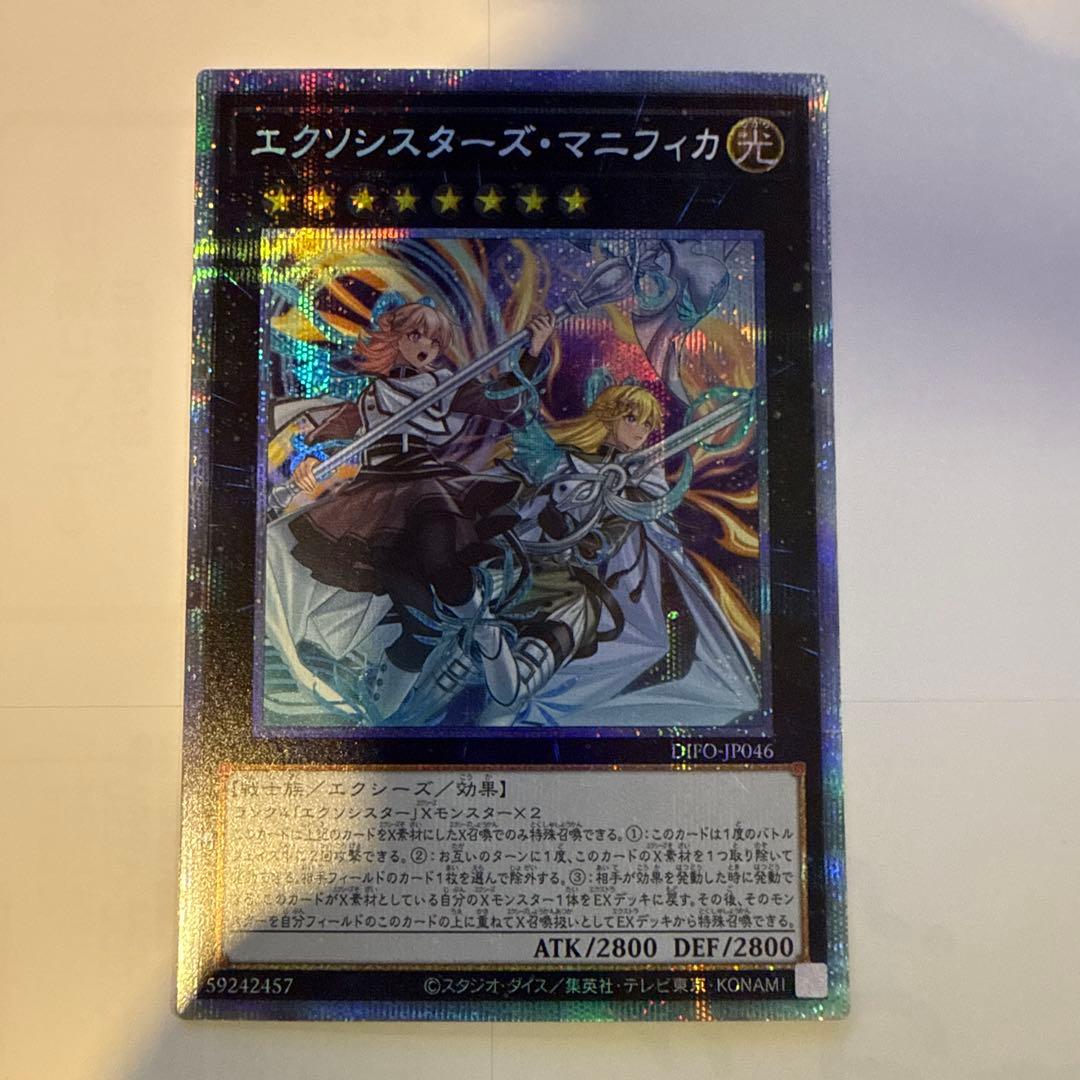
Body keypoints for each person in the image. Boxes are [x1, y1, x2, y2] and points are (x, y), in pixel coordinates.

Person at [263, 295, 555, 722]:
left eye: (435, 342)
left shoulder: (445, 385)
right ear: (395, 338)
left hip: (425, 483)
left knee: (442, 562)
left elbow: (503, 403)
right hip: (376, 500)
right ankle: (379, 717)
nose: (426, 347)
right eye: (417, 335)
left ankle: (486, 631)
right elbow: (328, 436)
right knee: (421, 621)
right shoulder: (370, 395)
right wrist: (307, 462)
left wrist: (532, 353)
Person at [474, 384, 761, 728]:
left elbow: (601, 545)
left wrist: (577, 535)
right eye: (632, 419)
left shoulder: (628, 494)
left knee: (556, 639)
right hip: (510, 560)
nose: (640, 432)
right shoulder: (560, 458)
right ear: (609, 417)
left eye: (647, 425)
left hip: (561, 583)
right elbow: (510, 482)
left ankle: (501, 662)